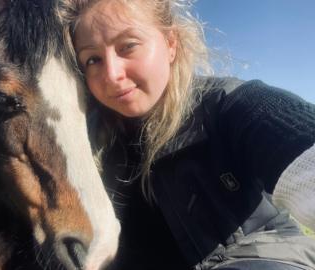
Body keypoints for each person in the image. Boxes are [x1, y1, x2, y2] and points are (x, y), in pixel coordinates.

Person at [60, 0, 315, 269]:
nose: (111, 74)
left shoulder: (227, 105)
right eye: (93, 59)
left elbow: (300, 146)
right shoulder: (85, 147)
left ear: (171, 43)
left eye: (128, 46)